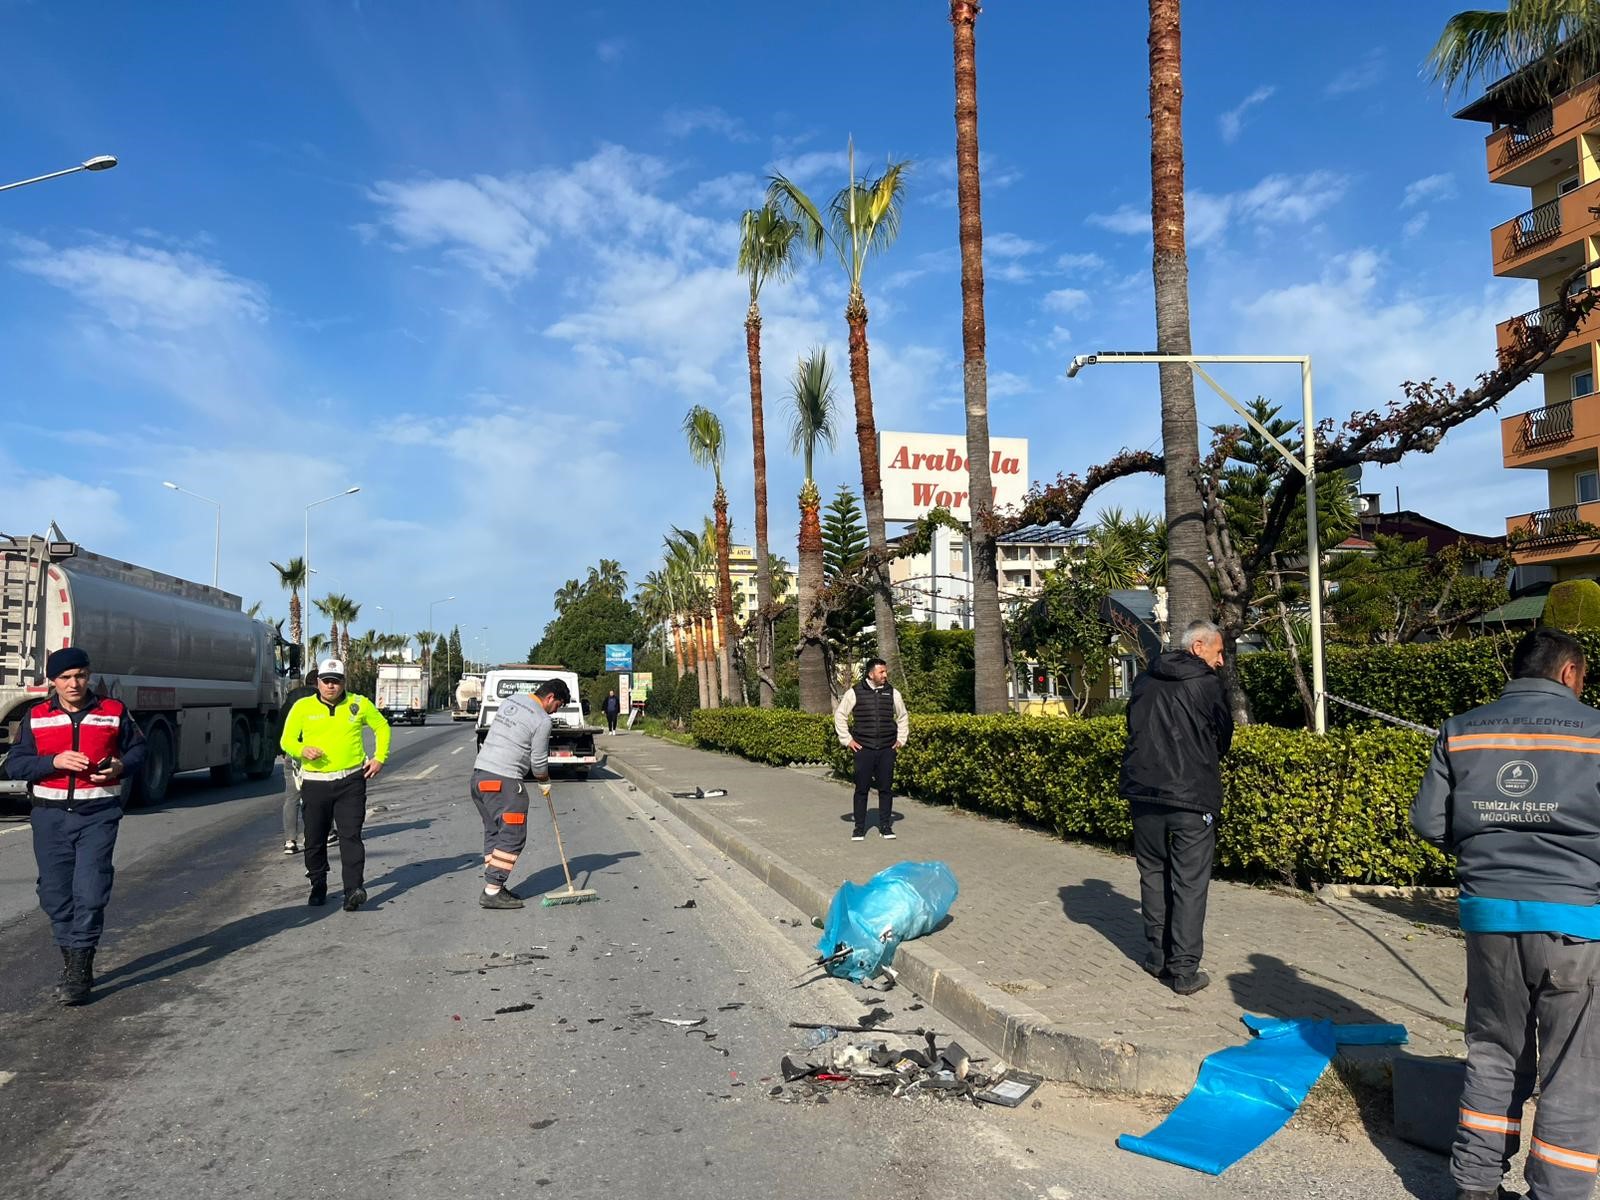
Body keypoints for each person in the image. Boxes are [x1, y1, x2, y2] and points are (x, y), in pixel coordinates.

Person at [1412, 628, 1600, 1200]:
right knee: (1574, 1067)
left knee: (1494, 1052)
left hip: (1489, 920)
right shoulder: (1596, 731)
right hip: (1577, 924)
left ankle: (1474, 1186)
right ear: (1569, 673)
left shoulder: (1463, 728)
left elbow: (1429, 823)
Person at [4, 647, 146, 1005]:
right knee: (54, 894)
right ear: (53, 681)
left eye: (80, 675)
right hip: (49, 817)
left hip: (97, 814)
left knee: (91, 888)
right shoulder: (36, 717)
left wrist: (119, 767)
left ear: (89, 676)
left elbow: (139, 752)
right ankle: (71, 956)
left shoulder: (113, 712)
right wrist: (54, 761)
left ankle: (80, 966)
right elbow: (15, 765)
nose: (74, 683)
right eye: (65, 678)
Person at [1118, 619, 1233, 997]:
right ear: (1198, 647)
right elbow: (1223, 734)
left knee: (1152, 872)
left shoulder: (1144, 680)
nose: (1221, 661)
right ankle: (1184, 970)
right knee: (1189, 882)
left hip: (1144, 794)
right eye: (1218, 652)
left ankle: (1157, 957)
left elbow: (1132, 727)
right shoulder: (1206, 685)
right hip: (1190, 796)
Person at [278, 658, 390, 911]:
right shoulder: (302, 707)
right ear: (318, 682)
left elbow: (381, 726)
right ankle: (318, 884)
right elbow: (286, 740)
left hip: (351, 781)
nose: (331, 686)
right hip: (315, 783)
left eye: (336, 681)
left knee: (351, 836)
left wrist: (379, 757)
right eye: (326, 681)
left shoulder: (358, 703)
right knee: (314, 839)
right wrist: (302, 749)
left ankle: (353, 890)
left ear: (343, 683)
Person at [469, 678, 570, 909]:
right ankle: (492, 890)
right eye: (558, 706)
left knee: (495, 831)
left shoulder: (511, 701)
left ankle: (495, 883)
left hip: (479, 777)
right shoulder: (542, 720)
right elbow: (538, 763)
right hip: (504, 780)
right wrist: (544, 782)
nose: (556, 712)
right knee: (513, 834)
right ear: (550, 698)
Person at [834, 657, 909, 842]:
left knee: (886, 789)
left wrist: (901, 739)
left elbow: (902, 716)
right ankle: (859, 828)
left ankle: (885, 826)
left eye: (885, 671)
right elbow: (840, 715)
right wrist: (847, 740)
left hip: (886, 749)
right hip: (864, 749)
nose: (885, 675)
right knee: (861, 789)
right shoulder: (855, 693)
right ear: (871, 674)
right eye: (881, 672)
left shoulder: (893, 693)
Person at [280, 668, 318, 855]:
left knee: (292, 797)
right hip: (315, 755)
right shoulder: (321, 701)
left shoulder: (292, 697)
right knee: (321, 796)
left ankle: (290, 841)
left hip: (292, 752)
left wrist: (281, 750)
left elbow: (280, 724)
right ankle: (319, 834)